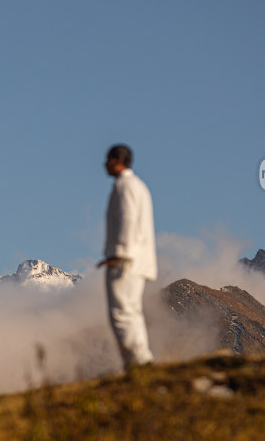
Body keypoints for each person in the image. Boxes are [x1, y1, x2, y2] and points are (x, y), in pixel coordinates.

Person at [97, 144, 157, 369]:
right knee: (132, 311)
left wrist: (119, 254)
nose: (104, 164)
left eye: (108, 159)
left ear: (117, 160)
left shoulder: (125, 186)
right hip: (138, 259)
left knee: (121, 313)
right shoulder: (138, 186)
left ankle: (137, 362)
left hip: (126, 260)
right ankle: (141, 359)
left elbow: (128, 219)